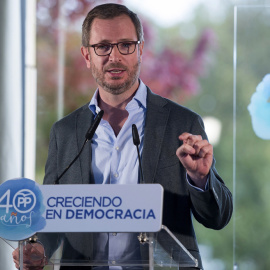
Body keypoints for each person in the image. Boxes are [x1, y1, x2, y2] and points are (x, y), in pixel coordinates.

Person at [12, 3, 233, 270]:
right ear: (86, 55)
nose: (114, 57)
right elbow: (54, 217)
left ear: (140, 50)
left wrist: (200, 178)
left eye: (125, 45)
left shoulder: (182, 123)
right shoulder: (65, 132)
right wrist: (39, 248)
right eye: (102, 46)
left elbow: (218, 217)